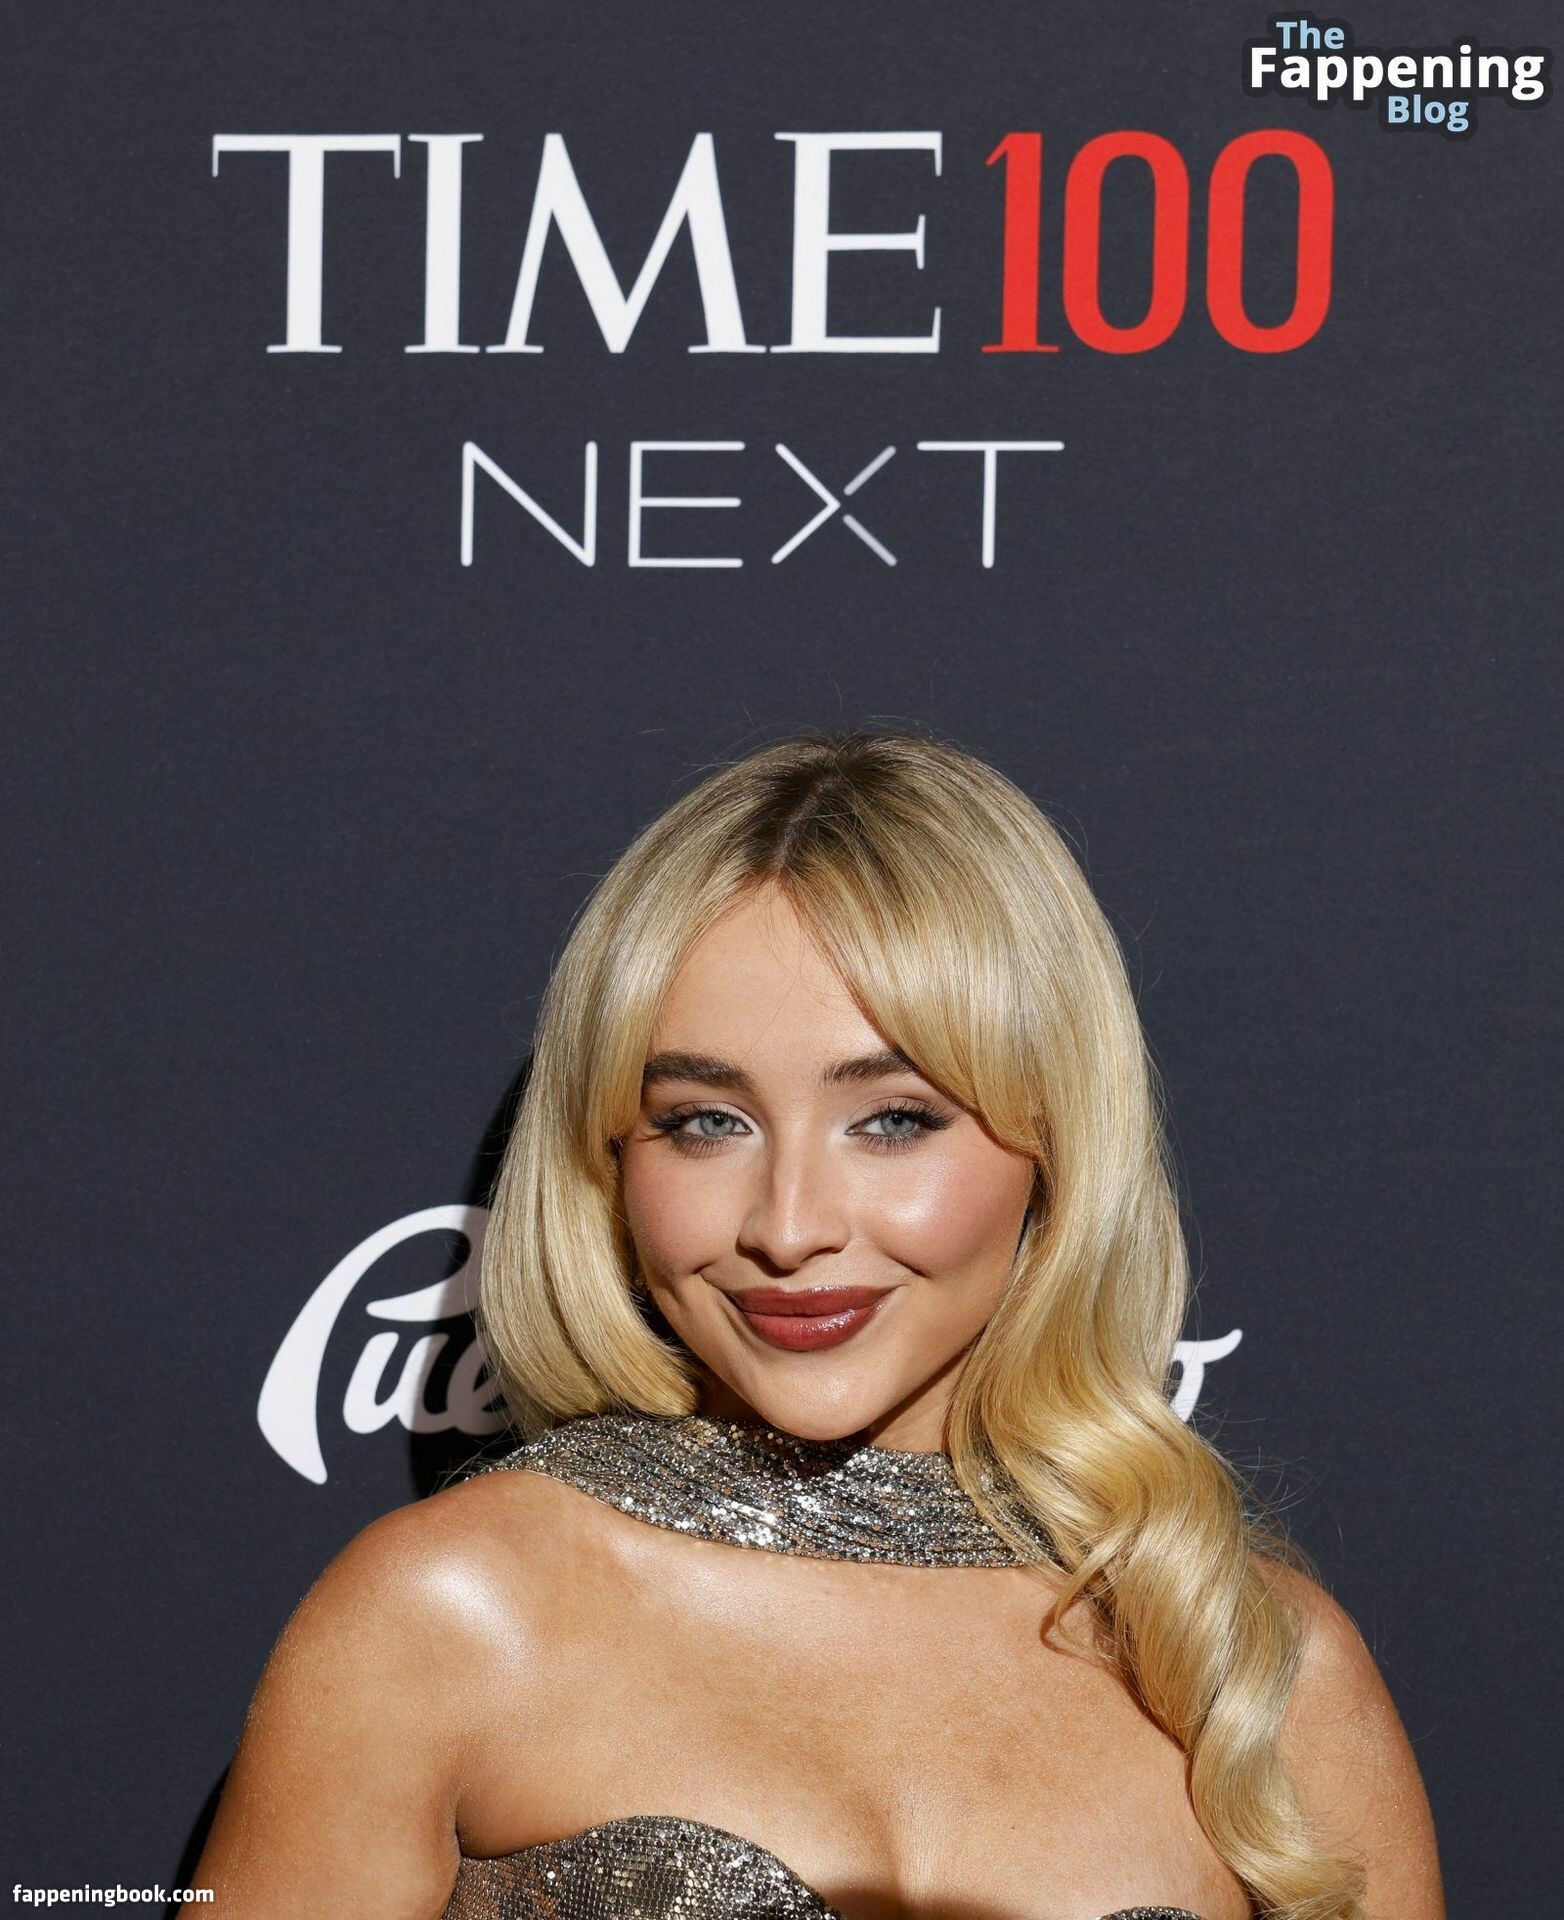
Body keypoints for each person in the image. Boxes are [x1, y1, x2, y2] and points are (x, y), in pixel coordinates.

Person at [190, 728, 1444, 1919]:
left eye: (893, 1120)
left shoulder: (1253, 1666)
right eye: (704, 1121)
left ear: (1056, 1143)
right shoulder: (451, 1612)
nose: (787, 1228)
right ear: (610, 1154)